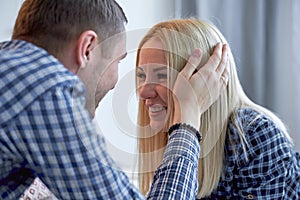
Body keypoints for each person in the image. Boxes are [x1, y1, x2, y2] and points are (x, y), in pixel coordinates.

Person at [0, 1, 229, 199]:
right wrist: (187, 119)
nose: (116, 80)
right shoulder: (47, 91)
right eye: (118, 60)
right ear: (87, 48)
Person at [136, 18, 300, 199]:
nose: (143, 92)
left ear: (207, 80)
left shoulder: (254, 136)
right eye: (141, 75)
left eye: (162, 75)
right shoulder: (169, 133)